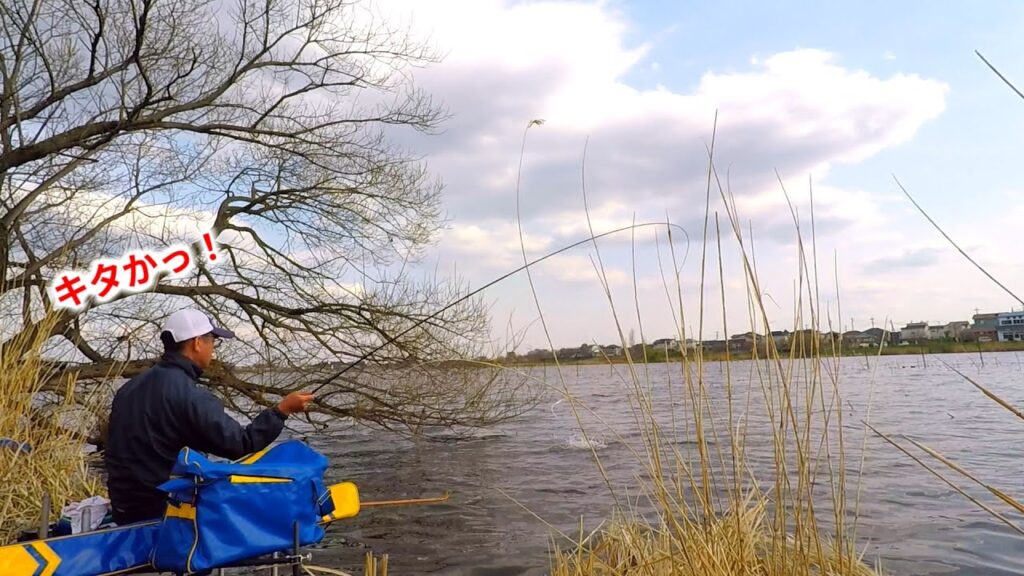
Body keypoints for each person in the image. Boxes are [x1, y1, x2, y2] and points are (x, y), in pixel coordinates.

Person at [105, 308, 314, 525]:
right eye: (213, 341)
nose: (213, 349)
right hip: (161, 512)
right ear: (197, 343)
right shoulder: (190, 396)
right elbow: (241, 443)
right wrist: (282, 411)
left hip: (124, 508)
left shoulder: (128, 389)